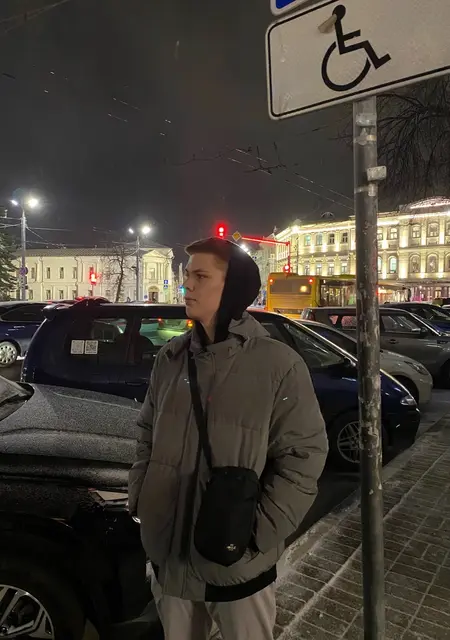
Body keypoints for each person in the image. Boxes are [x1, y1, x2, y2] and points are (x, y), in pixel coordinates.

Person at [128, 237, 328, 640]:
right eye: (187, 275)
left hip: (238, 562)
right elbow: (146, 434)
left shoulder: (278, 364)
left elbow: (303, 455)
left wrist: (258, 534)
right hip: (171, 553)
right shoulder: (171, 359)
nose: (187, 285)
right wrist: (142, 499)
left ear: (233, 288)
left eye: (201, 276)